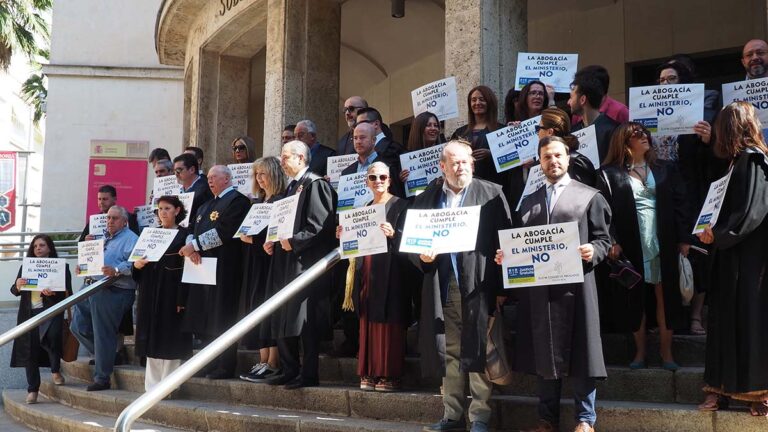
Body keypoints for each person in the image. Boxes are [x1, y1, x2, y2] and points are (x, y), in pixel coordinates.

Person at [498, 136, 612, 432]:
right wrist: (506, 256)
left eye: (558, 155)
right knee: (544, 350)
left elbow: (604, 239)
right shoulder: (530, 201)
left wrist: (594, 251)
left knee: (582, 350)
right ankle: (546, 418)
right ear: (540, 162)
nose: (553, 161)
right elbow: (518, 243)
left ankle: (585, 419)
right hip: (541, 291)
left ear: (568, 157)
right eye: (547, 157)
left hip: (577, 287)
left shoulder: (589, 196)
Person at [413, 140, 512, 432]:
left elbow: (508, 239)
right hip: (443, 285)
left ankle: (479, 416)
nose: (460, 167)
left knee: (477, 348)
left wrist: (503, 286)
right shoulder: (430, 196)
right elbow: (412, 240)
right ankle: (452, 415)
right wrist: (421, 256)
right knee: (450, 351)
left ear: (473, 163)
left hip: (479, 285)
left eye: (465, 161)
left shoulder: (492, 193)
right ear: (442, 166)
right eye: (454, 162)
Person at [597, 123, 690, 371]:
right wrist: (612, 240)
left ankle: (666, 352)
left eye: (645, 133)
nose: (645, 137)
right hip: (631, 243)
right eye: (638, 134)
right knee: (634, 298)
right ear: (625, 142)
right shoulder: (609, 174)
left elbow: (681, 204)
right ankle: (639, 352)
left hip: (663, 240)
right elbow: (604, 212)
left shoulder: (664, 168)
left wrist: (683, 239)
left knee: (666, 297)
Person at [696, 102, 768, 417]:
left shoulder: (753, 162)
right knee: (726, 322)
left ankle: (758, 393)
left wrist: (720, 234)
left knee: (750, 322)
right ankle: (720, 388)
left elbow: (752, 211)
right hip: (730, 257)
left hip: (749, 260)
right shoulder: (735, 162)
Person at [263, 140, 337, 390]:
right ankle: (289, 368)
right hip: (284, 261)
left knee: (305, 320)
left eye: (286, 157)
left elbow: (319, 226)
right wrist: (272, 240)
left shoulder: (316, 185)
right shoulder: (290, 188)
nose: (281, 162)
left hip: (305, 264)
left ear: (301, 158)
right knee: (283, 314)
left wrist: (293, 243)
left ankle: (308, 374)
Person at [654, 59, 719, 335]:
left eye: (671, 79)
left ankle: (695, 316)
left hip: (692, 193)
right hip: (660, 192)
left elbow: (711, 158)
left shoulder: (701, 109)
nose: (665, 84)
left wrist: (707, 139)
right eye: (661, 80)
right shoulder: (651, 111)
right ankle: (667, 316)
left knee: (696, 252)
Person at [335, 161, 410, 392]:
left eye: (383, 177)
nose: (378, 181)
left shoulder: (402, 206)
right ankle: (368, 370)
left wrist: (394, 234)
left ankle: (388, 373)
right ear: (366, 181)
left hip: (392, 272)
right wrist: (343, 234)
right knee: (367, 321)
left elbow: (412, 239)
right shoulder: (364, 208)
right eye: (373, 177)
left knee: (387, 323)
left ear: (390, 180)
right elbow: (356, 243)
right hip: (366, 270)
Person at [178, 165, 251, 379]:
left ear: (227, 179)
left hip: (225, 267)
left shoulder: (237, 201)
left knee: (223, 316)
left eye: (214, 177)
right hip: (202, 268)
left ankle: (226, 364)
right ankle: (209, 361)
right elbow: (192, 228)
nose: (209, 181)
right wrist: (191, 246)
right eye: (208, 178)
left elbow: (225, 231)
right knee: (206, 316)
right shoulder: (206, 204)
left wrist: (196, 246)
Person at [70, 205, 139, 391]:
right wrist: (82, 265)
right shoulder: (99, 237)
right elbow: (90, 262)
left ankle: (102, 378)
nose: (110, 221)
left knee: (103, 334)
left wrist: (116, 270)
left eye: (115, 218)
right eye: (108, 218)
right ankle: (109, 355)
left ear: (125, 222)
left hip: (113, 289)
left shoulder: (131, 239)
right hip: (90, 286)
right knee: (77, 326)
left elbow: (136, 264)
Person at [131, 195, 192, 391]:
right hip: (150, 293)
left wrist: (182, 297)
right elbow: (136, 266)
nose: (163, 212)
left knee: (170, 339)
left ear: (177, 210)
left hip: (171, 293)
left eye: (167, 208)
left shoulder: (185, 235)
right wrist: (137, 265)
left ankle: (169, 386)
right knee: (151, 338)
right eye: (160, 209)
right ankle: (152, 387)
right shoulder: (150, 234)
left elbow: (188, 269)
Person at [238, 156, 287, 383]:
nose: (259, 179)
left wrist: (253, 240)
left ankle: (273, 361)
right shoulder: (257, 203)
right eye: (256, 175)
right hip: (254, 264)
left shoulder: (281, 200)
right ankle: (263, 358)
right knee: (257, 306)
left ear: (274, 175)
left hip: (271, 263)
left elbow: (273, 236)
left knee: (270, 308)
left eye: (263, 174)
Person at [10, 235, 72, 404]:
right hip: (29, 314)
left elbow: (68, 295)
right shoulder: (26, 267)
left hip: (51, 312)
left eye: (42, 245)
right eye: (35, 245)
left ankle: (55, 369)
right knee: (29, 351)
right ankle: (32, 390)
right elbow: (14, 290)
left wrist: (53, 294)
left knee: (51, 338)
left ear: (50, 248)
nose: (38, 248)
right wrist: (17, 285)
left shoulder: (62, 268)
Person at [450, 86, 504, 187]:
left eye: (482, 100)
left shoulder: (501, 130)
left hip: (493, 186)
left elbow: (512, 160)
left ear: (490, 102)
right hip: (466, 188)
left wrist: (492, 154)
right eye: (473, 100)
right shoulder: (460, 133)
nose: (477, 103)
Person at [537, 107, 596, 187]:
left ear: (550, 132)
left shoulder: (577, 163)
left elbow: (584, 195)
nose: (537, 133)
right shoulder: (541, 161)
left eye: (538, 128)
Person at [341, 122, 403, 197]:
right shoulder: (346, 173)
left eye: (362, 137)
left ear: (374, 140)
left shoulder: (389, 166)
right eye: (355, 138)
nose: (358, 142)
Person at [569, 74, 619, 164]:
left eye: (571, 97)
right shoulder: (573, 132)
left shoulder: (614, 131)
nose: (568, 102)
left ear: (582, 100)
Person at [399, 111, 443, 186]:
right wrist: (401, 180)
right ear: (419, 129)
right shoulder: (405, 160)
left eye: (436, 125)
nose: (433, 128)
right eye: (428, 125)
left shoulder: (446, 153)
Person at [172, 153, 213, 231]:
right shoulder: (176, 188)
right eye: (174, 171)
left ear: (192, 170)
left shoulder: (204, 189)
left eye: (178, 170)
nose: (176, 174)